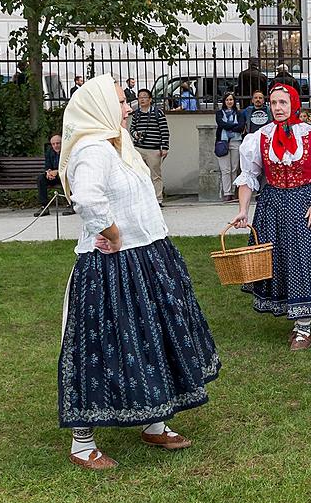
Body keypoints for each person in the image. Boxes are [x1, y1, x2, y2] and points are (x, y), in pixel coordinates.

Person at [57, 74, 219, 470]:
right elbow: (88, 199)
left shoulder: (118, 143)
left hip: (146, 255)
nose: (128, 107)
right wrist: (111, 232)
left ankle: (153, 420)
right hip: (111, 265)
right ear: (99, 107)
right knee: (98, 347)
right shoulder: (92, 149)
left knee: (151, 338)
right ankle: (83, 443)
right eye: (121, 102)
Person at [231, 83, 311, 351]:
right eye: (274, 103)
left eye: (283, 103)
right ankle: (297, 323)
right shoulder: (260, 137)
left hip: (306, 205)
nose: (277, 108)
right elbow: (249, 176)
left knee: (304, 260)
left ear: (294, 104)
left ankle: (303, 328)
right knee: (279, 261)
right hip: (273, 206)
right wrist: (243, 209)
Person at [129, 88, 169, 204]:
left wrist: (165, 147)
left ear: (150, 99)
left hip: (154, 149)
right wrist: (135, 134)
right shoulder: (136, 114)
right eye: (140, 97)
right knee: (139, 174)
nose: (142, 99)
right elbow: (132, 128)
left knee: (155, 175)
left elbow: (164, 130)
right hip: (139, 148)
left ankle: (158, 199)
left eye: (144, 97)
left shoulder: (158, 113)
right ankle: (142, 199)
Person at [34, 134, 75, 216]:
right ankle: (44, 207)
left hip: (64, 175)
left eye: (58, 143)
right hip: (54, 176)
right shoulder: (49, 152)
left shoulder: (67, 151)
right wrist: (48, 172)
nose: (55, 145)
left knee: (66, 177)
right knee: (41, 178)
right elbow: (47, 165)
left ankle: (70, 205)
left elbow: (70, 167)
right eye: (53, 144)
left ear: (62, 143)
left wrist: (58, 172)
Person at [215, 92, 245, 202]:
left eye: (231, 100)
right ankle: (227, 192)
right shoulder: (219, 113)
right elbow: (221, 124)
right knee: (225, 169)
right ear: (224, 101)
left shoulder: (239, 113)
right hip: (222, 142)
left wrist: (230, 127)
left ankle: (233, 191)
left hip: (236, 142)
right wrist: (233, 126)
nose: (229, 102)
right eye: (227, 100)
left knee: (234, 168)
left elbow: (241, 126)